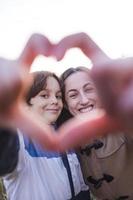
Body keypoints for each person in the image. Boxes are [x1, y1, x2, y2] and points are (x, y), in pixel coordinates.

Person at [1, 71, 90, 200]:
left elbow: (80, 185)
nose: (54, 101)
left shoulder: (64, 136)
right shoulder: (19, 137)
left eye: (58, 96)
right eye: (44, 95)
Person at [60, 66, 133, 200]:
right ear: (65, 103)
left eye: (89, 90)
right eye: (73, 95)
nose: (84, 100)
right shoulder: (69, 142)